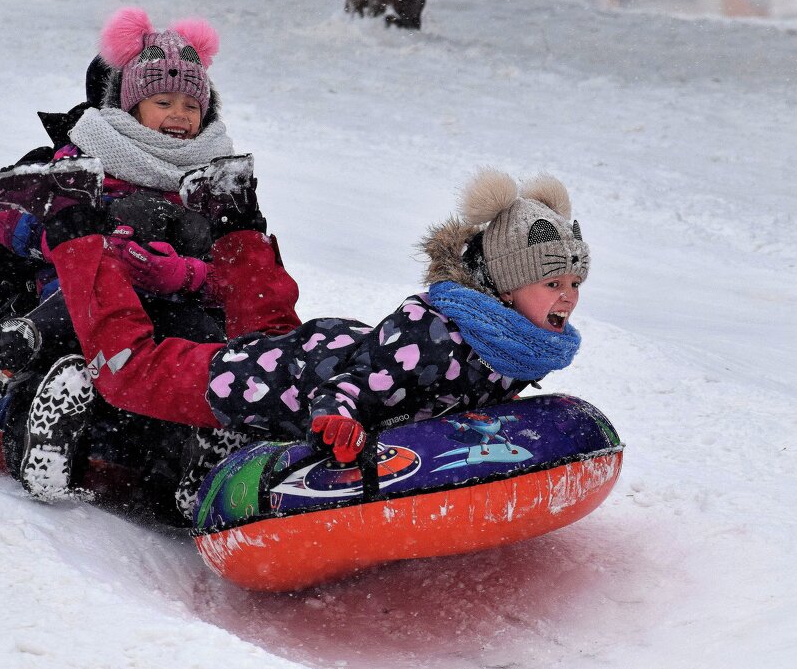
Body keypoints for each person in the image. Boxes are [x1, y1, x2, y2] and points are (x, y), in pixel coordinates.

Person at [37, 168, 589, 518]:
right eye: (553, 284)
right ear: (506, 286)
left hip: (316, 357)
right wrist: (339, 420)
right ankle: (72, 225)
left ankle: (232, 211)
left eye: (574, 283)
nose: (568, 297)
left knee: (270, 333)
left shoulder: (517, 341)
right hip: (293, 381)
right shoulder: (435, 335)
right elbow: (347, 389)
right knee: (133, 372)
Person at [0, 7, 291, 505]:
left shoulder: (212, 180)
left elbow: (238, 274)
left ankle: (201, 461)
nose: (180, 115)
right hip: (81, 301)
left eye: (192, 105)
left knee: (205, 354)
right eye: (163, 101)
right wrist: (86, 239)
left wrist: (181, 274)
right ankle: (47, 435)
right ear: (129, 106)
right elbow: (12, 218)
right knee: (71, 346)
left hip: (175, 312)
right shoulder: (83, 158)